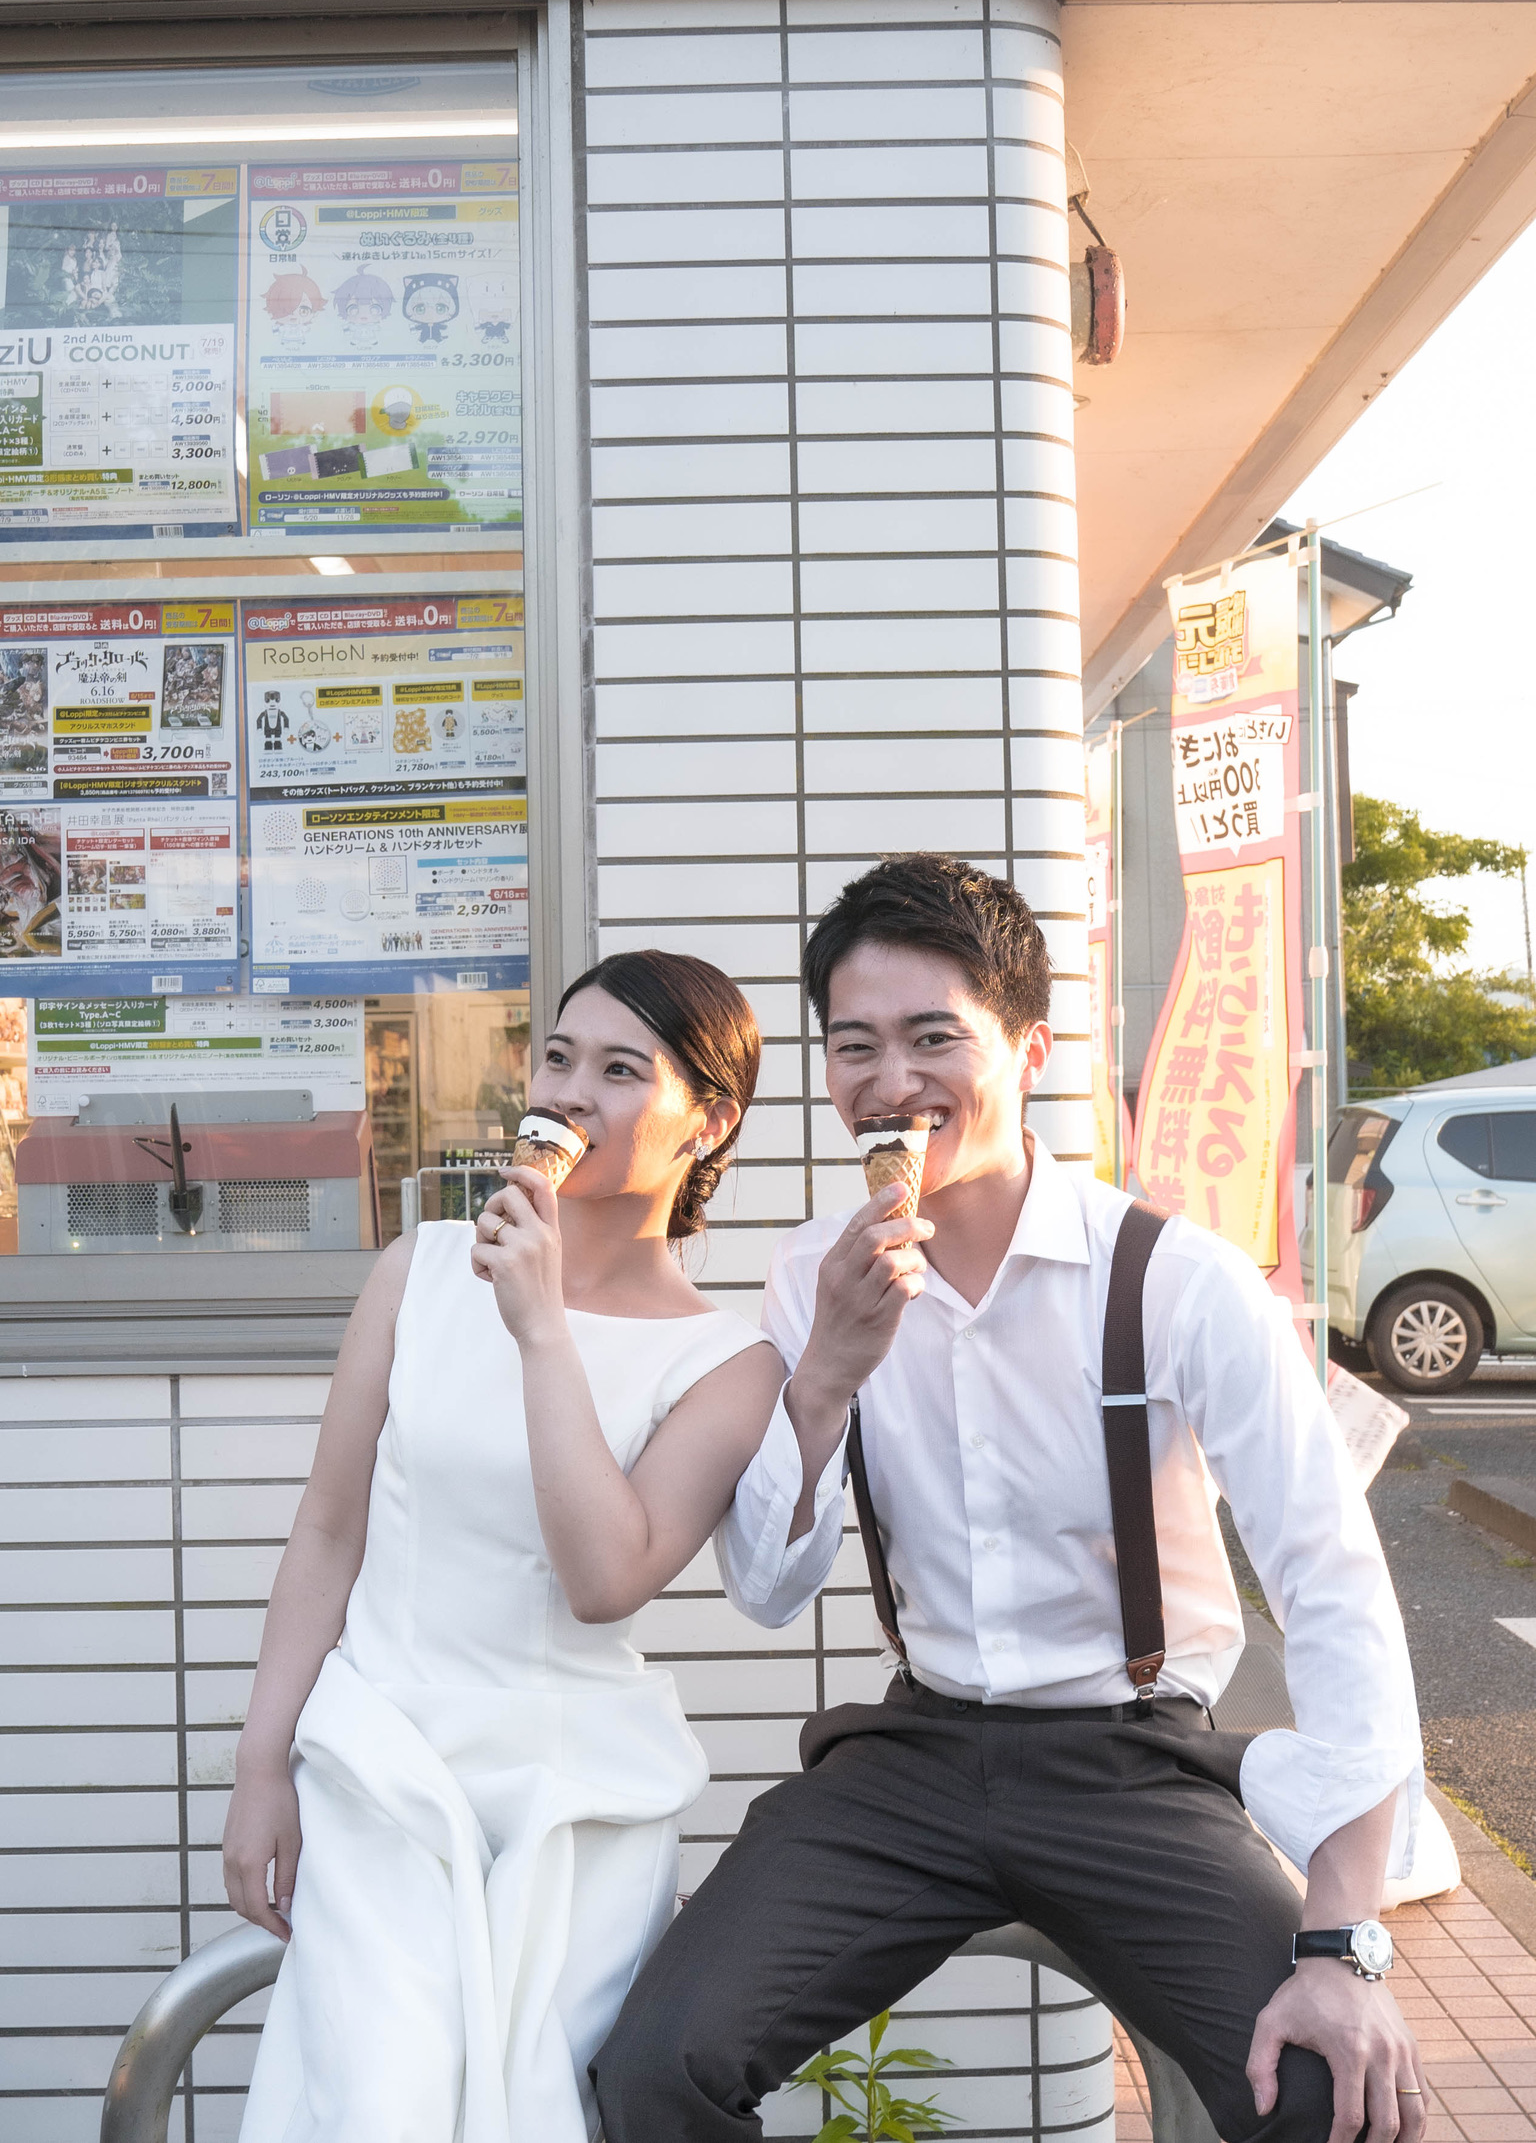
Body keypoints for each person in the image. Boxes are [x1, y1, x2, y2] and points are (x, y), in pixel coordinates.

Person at [596, 855, 1427, 2143]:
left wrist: (1342, 1940)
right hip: (914, 1759)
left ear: (1030, 1047)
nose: (891, 1082)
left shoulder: (1175, 1281)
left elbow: (1334, 1590)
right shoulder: (814, 1274)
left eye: (935, 1038)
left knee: (1327, 2095)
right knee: (657, 2068)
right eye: (855, 1046)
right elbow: (764, 1590)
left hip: (1135, 1761)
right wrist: (827, 1376)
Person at [225, 949, 787, 2143]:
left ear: (711, 1122)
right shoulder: (420, 1270)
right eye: (559, 1058)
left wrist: (541, 1328)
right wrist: (261, 1766)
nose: (571, 1093)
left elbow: (606, 1579)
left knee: (535, 2113)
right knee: (378, 2106)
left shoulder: (730, 1364)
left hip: (575, 1795)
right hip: (383, 1758)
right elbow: (328, 1529)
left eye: (623, 1071)